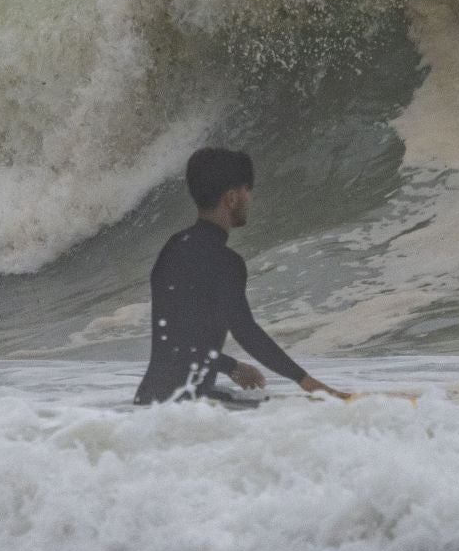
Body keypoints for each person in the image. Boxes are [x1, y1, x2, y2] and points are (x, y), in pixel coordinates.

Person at [132, 147, 349, 406]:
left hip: (148, 402)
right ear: (232, 198)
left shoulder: (173, 247)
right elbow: (245, 330)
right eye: (248, 191)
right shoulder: (226, 261)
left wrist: (231, 366)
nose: (250, 199)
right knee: (300, 413)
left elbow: (177, 343)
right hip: (191, 405)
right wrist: (307, 382)